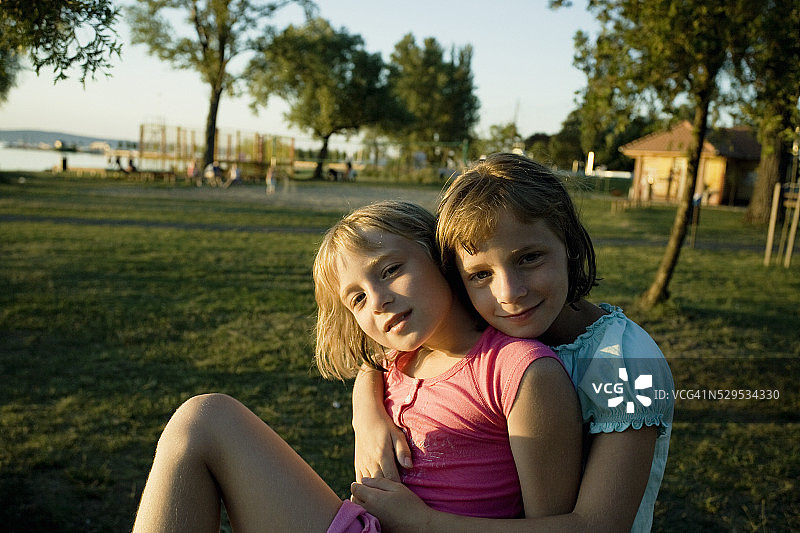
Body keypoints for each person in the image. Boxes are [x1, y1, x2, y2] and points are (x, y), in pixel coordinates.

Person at [132, 200, 582, 533]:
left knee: (206, 417)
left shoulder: (519, 372)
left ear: (441, 256)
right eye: (358, 298)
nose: (380, 301)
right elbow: (373, 365)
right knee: (202, 419)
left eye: (389, 270)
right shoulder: (400, 360)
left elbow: (552, 525)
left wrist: (423, 522)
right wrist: (365, 410)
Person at [352, 154, 674, 532]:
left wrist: (424, 523)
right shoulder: (494, 329)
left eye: (530, 258)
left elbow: (599, 526)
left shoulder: (626, 362)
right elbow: (380, 356)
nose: (510, 293)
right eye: (480, 274)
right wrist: (366, 414)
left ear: (569, 244)